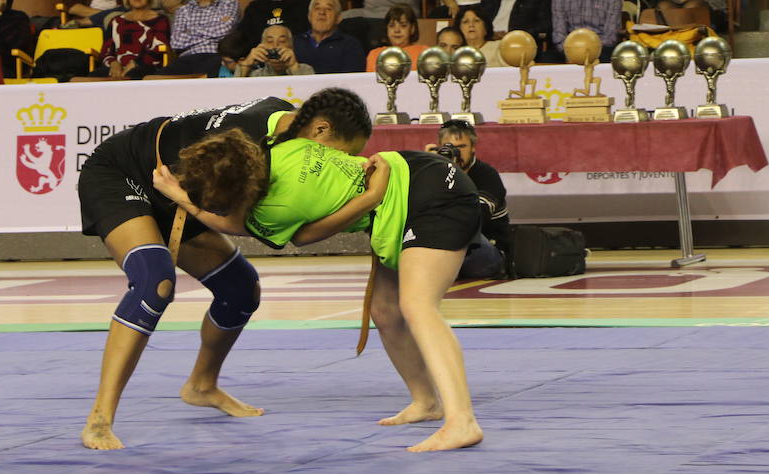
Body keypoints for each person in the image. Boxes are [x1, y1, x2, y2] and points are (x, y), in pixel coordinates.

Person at [152, 99, 485, 452]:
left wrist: (182, 199)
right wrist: (372, 196)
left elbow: (246, 226)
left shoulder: (277, 206)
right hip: (412, 176)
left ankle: (462, 420)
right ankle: (426, 402)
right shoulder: (286, 149)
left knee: (418, 306)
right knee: (386, 311)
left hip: (432, 196)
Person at [76, 87, 375, 450]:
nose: (339, 166)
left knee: (240, 288)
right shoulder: (251, 144)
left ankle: (202, 385)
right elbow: (234, 223)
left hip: (180, 190)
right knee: (154, 280)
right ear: (320, 130)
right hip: (123, 171)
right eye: (343, 156)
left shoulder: (284, 125)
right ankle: (99, 420)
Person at [431, 120, 509, 280]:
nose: (456, 152)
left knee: (462, 233)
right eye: (449, 147)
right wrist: (429, 166)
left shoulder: (486, 174)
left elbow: (474, 219)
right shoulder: (435, 173)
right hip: (450, 247)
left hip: (486, 251)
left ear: (473, 148)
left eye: (461, 147)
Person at [160, 0, 238, 76]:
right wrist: (214, 29)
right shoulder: (184, 10)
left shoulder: (229, 4)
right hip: (187, 58)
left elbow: (225, 30)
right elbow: (176, 42)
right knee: (158, 78)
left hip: (215, 56)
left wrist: (190, 31)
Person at [94, 0, 169, 79]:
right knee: (90, 78)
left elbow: (158, 50)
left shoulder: (160, 20)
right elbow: (106, 52)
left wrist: (134, 63)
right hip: (116, 68)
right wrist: (114, 64)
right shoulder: (116, 21)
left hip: (145, 68)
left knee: (133, 75)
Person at [295, 0, 365, 74]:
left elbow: (352, 80)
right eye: (317, 8)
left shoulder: (350, 46)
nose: (322, 12)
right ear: (309, 16)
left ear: (338, 18)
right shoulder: (295, 42)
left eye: (328, 9)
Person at [230, 23, 311, 77]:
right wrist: (246, 65)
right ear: (261, 46)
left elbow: (310, 94)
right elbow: (234, 92)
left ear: (291, 47)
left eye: (282, 41)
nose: (275, 46)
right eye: (270, 41)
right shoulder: (255, 74)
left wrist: (293, 67)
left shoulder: (305, 70)